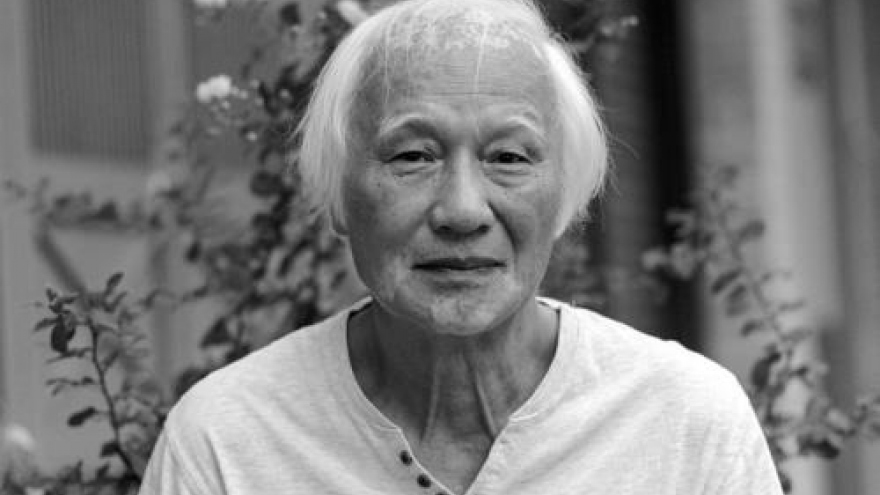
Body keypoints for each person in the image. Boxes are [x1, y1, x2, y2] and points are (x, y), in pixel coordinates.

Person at [139, 0, 784, 493]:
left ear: (563, 197)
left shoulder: (685, 423)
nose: (463, 211)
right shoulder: (226, 443)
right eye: (412, 156)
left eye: (508, 157)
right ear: (337, 196)